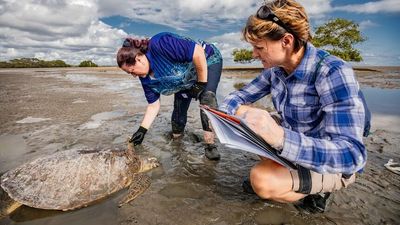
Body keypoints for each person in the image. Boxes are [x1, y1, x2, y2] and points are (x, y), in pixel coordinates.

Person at [219, 0, 370, 213]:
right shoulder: (276, 70)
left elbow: (352, 155)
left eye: (259, 47)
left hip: (333, 164)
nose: (254, 54)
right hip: (297, 143)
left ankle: (316, 191)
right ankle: (292, 176)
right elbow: (240, 95)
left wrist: (280, 137)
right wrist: (223, 114)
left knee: (261, 180)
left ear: (286, 41)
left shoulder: (332, 72)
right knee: (244, 113)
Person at [117, 32, 223, 160]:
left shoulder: (160, 44)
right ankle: (177, 140)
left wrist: (201, 83)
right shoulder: (146, 80)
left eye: (132, 71)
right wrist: (142, 130)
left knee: (207, 97)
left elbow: (198, 52)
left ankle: (210, 145)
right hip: (181, 76)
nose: (134, 76)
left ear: (138, 59)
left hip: (207, 61)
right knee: (179, 107)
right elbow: (153, 105)